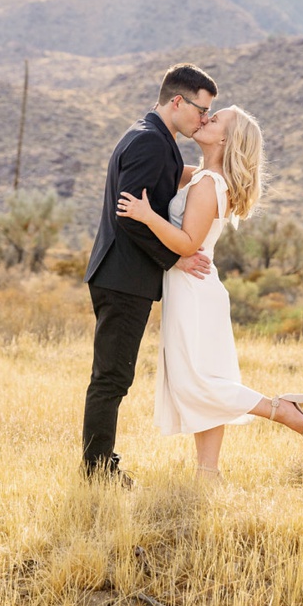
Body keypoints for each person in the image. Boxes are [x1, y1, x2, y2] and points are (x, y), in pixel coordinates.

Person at [116, 104, 303, 479]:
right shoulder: (202, 176)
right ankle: (208, 473)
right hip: (194, 288)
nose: (206, 119)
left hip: (193, 290)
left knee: (198, 383)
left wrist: (146, 216)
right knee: (206, 378)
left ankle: (280, 409)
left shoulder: (210, 184)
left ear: (226, 139)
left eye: (216, 118)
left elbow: (189, 243)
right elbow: (169, 174)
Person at [81, 63, 219, 483]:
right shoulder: (150, 142)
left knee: (112, 376)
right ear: (177, 101)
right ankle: (98, 472)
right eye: (201, 110)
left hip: (122, 275)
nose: (204, 119)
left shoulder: (154, 138)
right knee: (111, 379)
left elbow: (165, 184)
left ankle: (99, 467)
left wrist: (218, 172)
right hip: (123, 277)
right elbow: (130, 216)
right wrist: (174, 258)